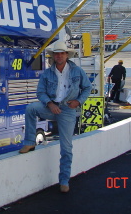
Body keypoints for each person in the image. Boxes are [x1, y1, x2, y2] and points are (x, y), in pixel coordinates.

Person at [19, 40, 92, 193]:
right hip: (52, 107)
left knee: (66, 147)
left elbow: (87, 87)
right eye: (56, 54)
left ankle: (64, 180)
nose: (59, 56)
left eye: (61, 53)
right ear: (53, 56)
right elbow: (40, 92)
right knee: (30, 108)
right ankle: (30, 142)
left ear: (66, 55)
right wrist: (50, 104)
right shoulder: (47, 73)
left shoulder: (77, 71)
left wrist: (78, 101)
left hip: (67, 110)